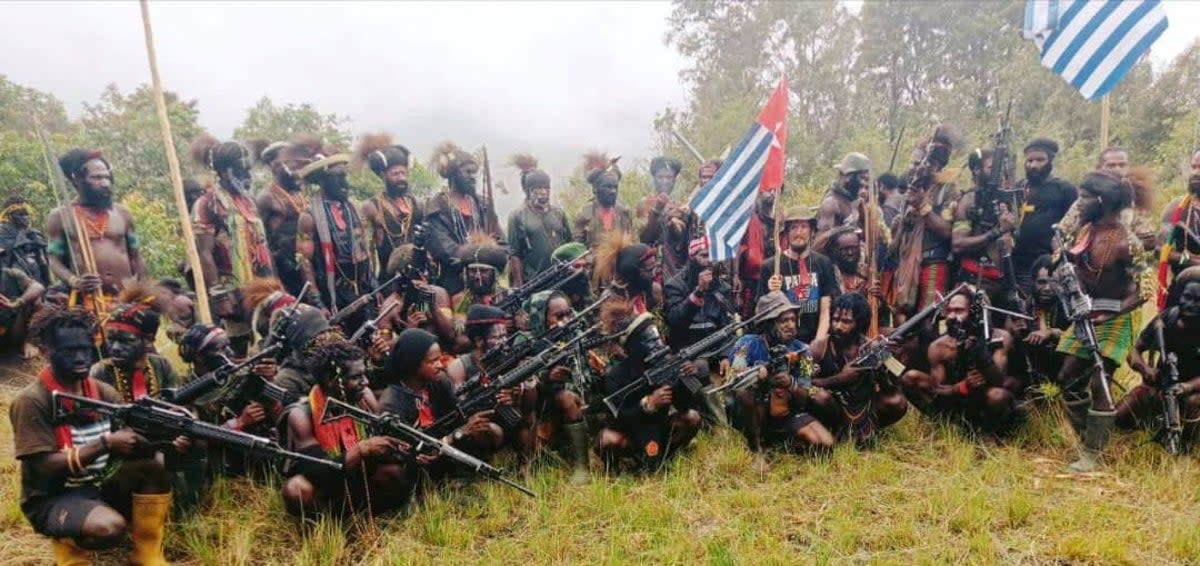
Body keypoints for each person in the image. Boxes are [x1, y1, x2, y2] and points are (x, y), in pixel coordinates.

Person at [10, 306, 176, 565]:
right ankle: (68, 549)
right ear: (45, 352)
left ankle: (147, 554)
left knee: (155, 463)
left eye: (86, 350)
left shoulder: (103, 392)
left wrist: (165, 437)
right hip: (53, 497)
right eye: (68, 352)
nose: (80, 358)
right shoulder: (32, 401)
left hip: (99, 482)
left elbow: (131, 441)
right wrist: (105, 443)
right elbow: (43, 468)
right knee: (108, 528)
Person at [1053, 171, 1141, 473]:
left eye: (1085, 197)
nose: (1080, 203)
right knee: (1067, 377)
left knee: (1099, 379)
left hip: (1117, 316)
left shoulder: (1127, 242)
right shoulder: (1085, 232)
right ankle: (1088, 438)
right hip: (1085, 313)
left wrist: (1110, 312)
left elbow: (1146, 290)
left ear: (1101, 200)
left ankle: (1094, 455)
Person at [281, 333, 411, 517]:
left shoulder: (364, 397)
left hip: (360, 475)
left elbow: (382, 435)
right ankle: (323, 529)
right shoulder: (301, 414)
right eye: (356, 377)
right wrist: (361, 450)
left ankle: (369, 517)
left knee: (394, 473)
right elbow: (316, 469)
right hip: (325, 483)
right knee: (297, 490)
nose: (365, 382)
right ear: (331, 380)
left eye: (365, 374)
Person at [378, 329, 503, 484]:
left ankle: (469, 475)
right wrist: (457, 435)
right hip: (419, 459)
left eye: (440, 359)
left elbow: (457, 416)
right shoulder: (391, 403)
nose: (440, 365)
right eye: (432, 361)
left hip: (444, 446)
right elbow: (407, 453)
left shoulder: (439, 381)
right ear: (412, 363)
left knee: (490, 431)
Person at [595, 295, 702, 472]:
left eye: (657, 337)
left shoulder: (666, 364)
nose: (658, 343)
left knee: (692, 418)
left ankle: (665, 456)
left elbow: (684, 405)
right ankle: (617, 469)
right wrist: (647, 404)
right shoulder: (617, 375)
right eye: (650, 340)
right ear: (634, 346)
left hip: (660, 429)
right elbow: (618, 418)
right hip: (630, 434)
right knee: (606, 439)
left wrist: (684, 378)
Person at [903, 289, 1019, 437]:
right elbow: (938, 391)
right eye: (949, 310)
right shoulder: (939, 347)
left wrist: (981, 356)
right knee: (911, 378)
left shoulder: (1000, 337)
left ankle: (987, 433)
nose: (951, 316)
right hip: (956, 401)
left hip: (985, 398)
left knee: (998, 396)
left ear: (974, 314)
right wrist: (960, 387)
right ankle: (947, 426)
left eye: (959, 311)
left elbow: (998, 381)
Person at [727, 292, 831, 453]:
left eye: (792, 319)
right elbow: (734, 377)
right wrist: (757, 376)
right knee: (744, 392)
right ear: (768, 324)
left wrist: (791, 383)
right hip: (756, 412)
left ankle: (780, 443)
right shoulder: (746, 344)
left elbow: (804, 395)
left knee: (824, 444)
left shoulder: (804, 351)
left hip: (786, 413)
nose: (791, 325)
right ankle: (756, 447)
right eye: (783, 321)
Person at [808, 293, 908, 445]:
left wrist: (889, 362)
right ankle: (833, 431)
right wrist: (838, 379)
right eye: (835, 319)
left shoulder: (872, 348)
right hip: (833, 409)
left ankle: (864, 432)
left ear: (859, 324)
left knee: (897, 402)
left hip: (864, 407)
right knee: (819, 397)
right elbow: (801, 384)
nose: (838, 326)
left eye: (846, 321)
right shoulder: (818, 347)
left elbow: (892, 388)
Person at [47, 148, 146, 301]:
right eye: (97, 178)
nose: (105, 183)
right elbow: (54, 260)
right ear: (77, 179)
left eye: (107, 177)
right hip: (87, 301)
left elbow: (136, 257)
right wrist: (75, 281)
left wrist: (140, 291)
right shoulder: (61, 216)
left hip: (124, 300)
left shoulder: (123, 214)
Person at [292, 138, 376, 319]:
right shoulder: (309, 217)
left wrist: (373, 286)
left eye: (345, 177)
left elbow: (367, 254)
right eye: (338, 178)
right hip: (333, 296)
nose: (345, 184)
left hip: (363, 290)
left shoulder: (353, 209)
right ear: (323, 181)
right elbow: (304, 263)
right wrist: (318, 303)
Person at [1117, 267, 1200, 446]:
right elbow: (1134, 350)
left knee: (1194, 402)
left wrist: (1187, 387)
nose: (1191, 304)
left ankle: (1187, 446)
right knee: (1118, 418)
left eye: (1198, 300)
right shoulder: (1166, 318)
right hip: (1162, 385)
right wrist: (1145, 369)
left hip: (1192, 390)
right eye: (1187, 297)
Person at [521, 290, 591, 483]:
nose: (566, 320)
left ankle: (582, 468)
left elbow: (583, 376)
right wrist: (546, 377)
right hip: (533, 407)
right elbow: (521, 379)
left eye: (568, 314)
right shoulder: (524, 343)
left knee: (567, 398)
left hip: (566, 402)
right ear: (541, 317)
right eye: (558, 316)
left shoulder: (573, 336)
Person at [189, 135, 274, 290]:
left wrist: (272, 281)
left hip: (260, 285)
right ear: (223, 172)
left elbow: (262, 245)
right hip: (230, 288)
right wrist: (219, 296)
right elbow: (204, 253)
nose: (248, 176)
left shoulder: (250, 203)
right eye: (241, 170)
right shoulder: (207, 204)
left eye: (249, 170)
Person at [888, 129, 957, 318]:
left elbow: (947, 232)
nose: (915, 168)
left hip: (933, 263)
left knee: (928, 320)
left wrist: (922, 206)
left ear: (936, 166)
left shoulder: (947, 190)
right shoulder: (910, 190)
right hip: (905, 265)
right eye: (913, 163)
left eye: (921, 163)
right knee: (902, 320)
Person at [425, 142, 504, 295]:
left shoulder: (483, 204)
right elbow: (449, 253)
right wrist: (487, 252)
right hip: (452, 287)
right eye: (468, 172)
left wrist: (492, 254)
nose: (473, 177)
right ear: (454, 174)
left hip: (487, 285)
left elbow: (503, 245)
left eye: (475, 172)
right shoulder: (436, 207)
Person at [759, 208, 839, 345]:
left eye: (804, 227)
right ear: (787, 233)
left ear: (812, 231)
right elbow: (760, 312)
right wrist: (771, 292)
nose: (799, 232)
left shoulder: (823, 263)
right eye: (794, 228)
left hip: (815, 339)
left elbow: (826, 308)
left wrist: (818, 342)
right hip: (783, 343)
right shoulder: (771, 266)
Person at [1010, 138, 1076, 295]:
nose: (1033, 165)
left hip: (1049, 264)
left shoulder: (1064, 189)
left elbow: (1075, 225)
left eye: (1040, 160)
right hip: (1020, 264)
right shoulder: (1019, 188)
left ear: (1050, 160)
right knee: (1022, 308)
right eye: (1030, 160)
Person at [91, 284, 178, 402]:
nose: (115, 347)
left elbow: (178, 403)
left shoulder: (162, 366)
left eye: (125, 341)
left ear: (148, 341)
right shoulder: (100, 372)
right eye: (111, 339)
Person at [357, 134, 424, 280]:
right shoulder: (371, 207)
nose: (401, 178)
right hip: (387, 279)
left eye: (403, 173)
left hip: (416, 274)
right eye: (395, 174)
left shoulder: (416, 204)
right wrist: (371, 282)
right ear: (383, 175)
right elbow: (366, 250)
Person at [953, 148, 1017, 301]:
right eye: (992, 168)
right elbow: (958, 244)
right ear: (976, 170)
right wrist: (997, 231)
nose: (999, 173)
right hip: (975, 279)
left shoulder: (1008, 198)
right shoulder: (969, 200)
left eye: (1002, 170)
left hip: (1005, 282)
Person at [506, 153, 572, 287]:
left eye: (546, 188)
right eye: (539, 189)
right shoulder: (517, 216)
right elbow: (515, 254)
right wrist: (519, 285)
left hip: (562, 276)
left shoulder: (558, 213)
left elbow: (569, 243)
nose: (543, 192)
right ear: (529, 191)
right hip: (535, 282)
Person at [254, 140, 309, 296]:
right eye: (289, 163)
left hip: (307, 269)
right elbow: (260, 241)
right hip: (284, 272)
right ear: (275, 166)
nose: (296, 169)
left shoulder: (300, 195)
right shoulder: (266, 199)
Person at [664, 236, 733, 351]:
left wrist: (725, 356)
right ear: (692, 258)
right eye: (704, 256)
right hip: (687, 349)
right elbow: (674, 320)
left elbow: (727, 326)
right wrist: (698, 291)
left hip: (716, 349)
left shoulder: (722, 288)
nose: (710, 261)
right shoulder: (675, 284)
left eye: (713, 256)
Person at [0, 195, 48, 356]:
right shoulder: (2, 234)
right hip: (8, 282)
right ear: (9, 215)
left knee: (36, 299)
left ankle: (27, 341)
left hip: (32, 282)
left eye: (26, 213)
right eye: (20, 214)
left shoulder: (34, 235)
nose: (25, 217)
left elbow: (43, 264)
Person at [638, 156, 695, 280]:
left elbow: (683, 238)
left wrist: (681, 219)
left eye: (669, 177)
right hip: (652, 265)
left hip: (676, 265)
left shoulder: (680, 205)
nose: (665, 181)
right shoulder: (645, 203)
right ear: (654, 179)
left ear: (674, 180)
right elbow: (645, 237)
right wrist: (657, 210)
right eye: (660, 177)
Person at [1155, 149, 1200, 305]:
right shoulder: (1177, 207)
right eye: (1193, 167)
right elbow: (1160, 250)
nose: (1195, 173)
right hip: (1183, 294)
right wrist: (1194, 261)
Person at [573, 152, 633, 249]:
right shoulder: (585, 212)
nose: (613, 191)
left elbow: (631, 241)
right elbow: (578, 248)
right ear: (596, 189)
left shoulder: (624, 211)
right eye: (608, 187)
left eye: (615, 187)